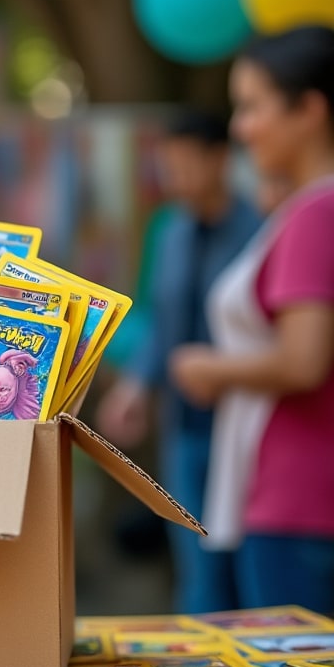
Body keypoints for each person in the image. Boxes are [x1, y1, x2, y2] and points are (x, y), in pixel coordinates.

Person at [170, 26, 334, 613]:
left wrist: (213, 369)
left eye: (253, 106)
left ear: (310, 109)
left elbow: (304, 360)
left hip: (299, 499)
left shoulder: (317, 212)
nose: (239, 128)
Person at [97, 109, 261, 613]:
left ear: (220, 160)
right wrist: (135, 386)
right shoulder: (168, 233)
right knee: (195, 562)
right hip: (183, 423)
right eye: (168, 166)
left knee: (249, 561)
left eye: (187, 164)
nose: (177, 178)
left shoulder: (260, 229)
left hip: (248, 423)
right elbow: (159, 320)